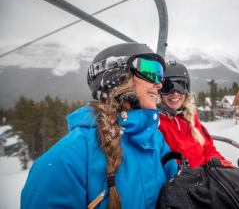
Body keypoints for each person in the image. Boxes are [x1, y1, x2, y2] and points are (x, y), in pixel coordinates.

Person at [21, 43, 177, 209]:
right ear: (118, 76)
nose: (159, 84)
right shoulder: (64, 160)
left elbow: (172, 190)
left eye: (160, 75)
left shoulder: (154, 140)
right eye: (151, 71)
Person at [158, 61, 230, 169]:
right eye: (168, 87)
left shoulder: (190, 116)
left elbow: (208, 148)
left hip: (206, 176)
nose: (175, 93)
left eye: (181, 86)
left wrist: (219, 163)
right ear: (159, 92)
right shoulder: (158, 123)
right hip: (184, 182)